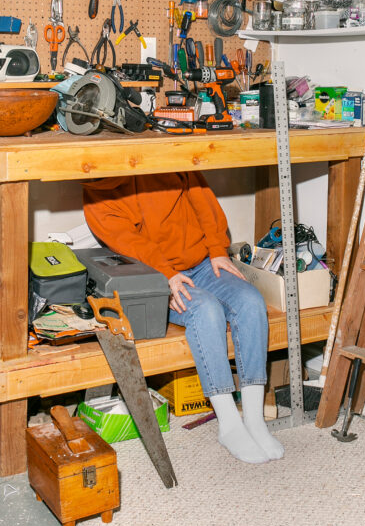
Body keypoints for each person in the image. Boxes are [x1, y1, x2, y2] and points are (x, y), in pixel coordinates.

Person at [83, 171, 284, 464]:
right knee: (205, 310)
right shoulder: (97, 193)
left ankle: (254, 420)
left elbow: (204, 202)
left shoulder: (166, 159)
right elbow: (132, 245)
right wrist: (165, 276)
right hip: (153, 275)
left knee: (251, 301)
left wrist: (218, 250)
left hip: (202, 264)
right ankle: (229, 424)